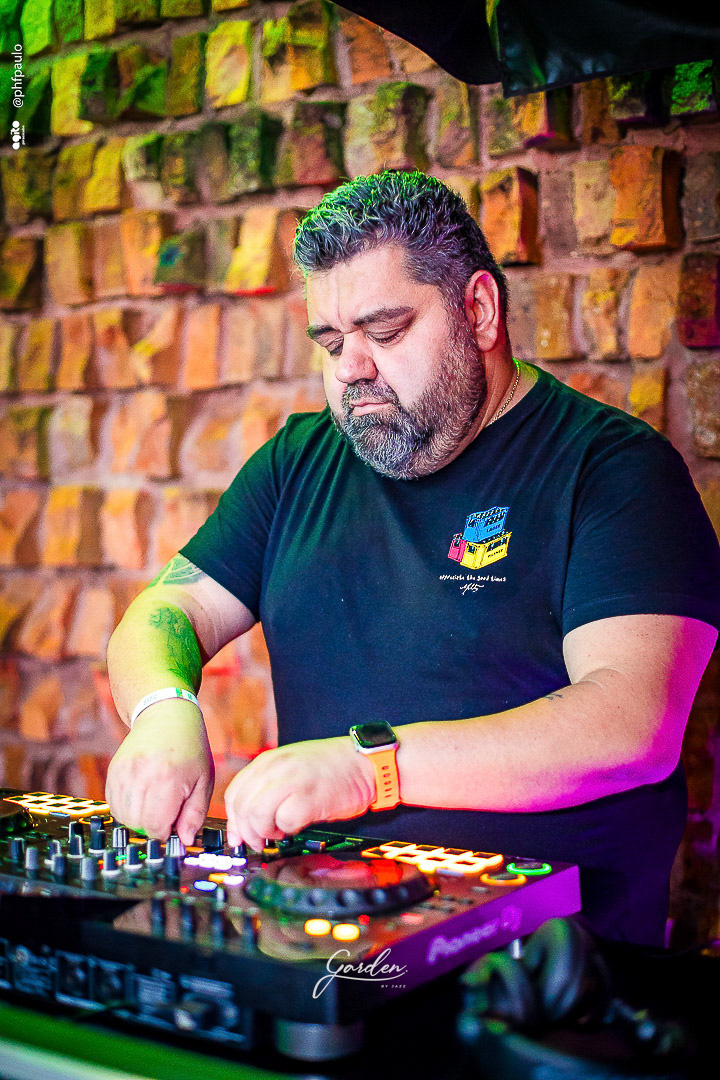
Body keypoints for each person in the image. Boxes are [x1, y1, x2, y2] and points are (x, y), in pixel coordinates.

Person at [105, 170, 720, 946]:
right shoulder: (297, 462)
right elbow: (170, 609)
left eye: (385, 332)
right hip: (327, 939)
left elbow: (632, 725)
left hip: (549, 970)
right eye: (331, 343)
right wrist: (163, 709)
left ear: (479, 311)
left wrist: (368, 770)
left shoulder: (614, 469)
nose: (350, 369)